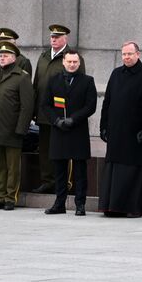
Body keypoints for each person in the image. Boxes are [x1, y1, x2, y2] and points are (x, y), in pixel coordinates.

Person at [98, 41, 142, 218]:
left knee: (130, 169)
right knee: (113, 167)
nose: (126, 57)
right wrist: (103, 126)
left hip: (134, 131)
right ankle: (111, 206)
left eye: (129, 54)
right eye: (124, 54)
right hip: (115, 130)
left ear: (138, 54)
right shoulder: (116, 73)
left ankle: (130, 208)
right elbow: (107, 102)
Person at [32, 24, 85, 194]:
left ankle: (64, 183)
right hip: (44, 111)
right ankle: (48, 181)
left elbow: (79, 85)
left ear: (65, 39)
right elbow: (36, 84)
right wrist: (34, 110)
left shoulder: (72, 57)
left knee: (63, 149)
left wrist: (71, 115)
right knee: (45, 148)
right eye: (52, 37)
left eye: (57, 37)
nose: (53, 39)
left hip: (62, 114)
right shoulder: (44, 56)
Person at [43, 50, 97, 215]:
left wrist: (73, 119)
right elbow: (45, 105)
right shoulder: (53, 80)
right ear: (63, 62)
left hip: (78, 130)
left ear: (79, 63)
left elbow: (90, 106)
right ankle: (59, 204)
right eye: (69, 61)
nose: (72, 64)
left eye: (75, 62)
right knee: (59, 170)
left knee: (80, 170)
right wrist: (56, 120)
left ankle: (80, 204)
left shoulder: (88, 81)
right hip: (59, 131)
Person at [0, 42, 34, 210]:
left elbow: (27, 106)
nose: (2, 57)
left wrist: (21, 129)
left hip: (12, 130)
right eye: (0, 55)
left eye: (6, 55)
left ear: (14, 58)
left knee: (12, 167)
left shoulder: (22, 77)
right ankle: (0, 196)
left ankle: (10, 198)